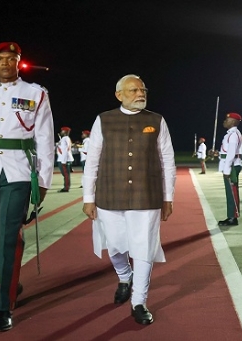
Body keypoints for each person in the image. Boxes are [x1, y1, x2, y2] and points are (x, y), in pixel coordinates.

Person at [0, 42, 54, 332]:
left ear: (19, 62)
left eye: (11, 58)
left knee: (8, 236)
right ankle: (12, 279)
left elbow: (44, 138)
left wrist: (42, 182)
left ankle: (5, 304)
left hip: (18, 170)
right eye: (1, 59)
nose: (6, 63)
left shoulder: (35, 94)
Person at [82, 74, 176, 324]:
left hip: (147, 195)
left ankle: (139, 301)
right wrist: (88, 197)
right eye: (134, 90)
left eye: (143, 89)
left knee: (144, 246)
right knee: (114, 245)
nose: (140, 93)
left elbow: (167, 160)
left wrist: (168, 198)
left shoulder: (156, 120)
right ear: (119, 95)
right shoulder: (104, 120)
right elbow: (92, 159)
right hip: (109, 194)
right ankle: (125, 275)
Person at [218, 112, 242, 226]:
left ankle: (233, 217)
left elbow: (231, 153)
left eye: (227, 120)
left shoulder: (233, 134)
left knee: (232, 192)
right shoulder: (230, 134)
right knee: (229, 191)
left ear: (233, 122)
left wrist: (227, 169)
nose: (225, 121)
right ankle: (231, 216)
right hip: (229, 164)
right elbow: (226, 151)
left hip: (232, 166)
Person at [56, 126, 73, 192]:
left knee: (66, 174)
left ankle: (66, 188)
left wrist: (64, 161)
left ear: (65, 132)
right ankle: (66, 186)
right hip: (62, 158)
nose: (61, 132)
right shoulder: (63, 139)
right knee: (65, 174)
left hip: (64, 159)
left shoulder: (66, 138)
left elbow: (66, 150)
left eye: (62, 131)